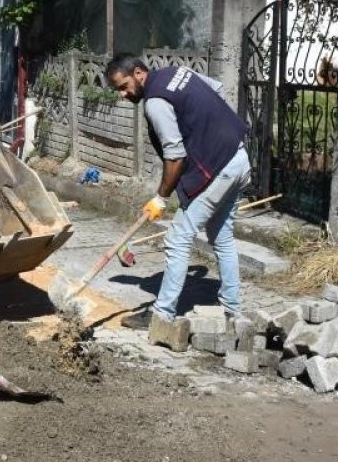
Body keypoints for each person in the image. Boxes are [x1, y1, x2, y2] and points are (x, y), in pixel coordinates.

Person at [105, 53, 251, 330]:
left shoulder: (155, 101)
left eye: (124, 86)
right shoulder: (179, 72)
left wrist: (160, 198)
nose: (123, 95)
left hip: (219, 170)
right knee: (221, 237)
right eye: (118, 90)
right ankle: (233, 311)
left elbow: (175, 155)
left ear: (139, 74)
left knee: (177, 239)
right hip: (239, 157)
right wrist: (211, 131)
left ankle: (162, 315)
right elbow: (217, 89)